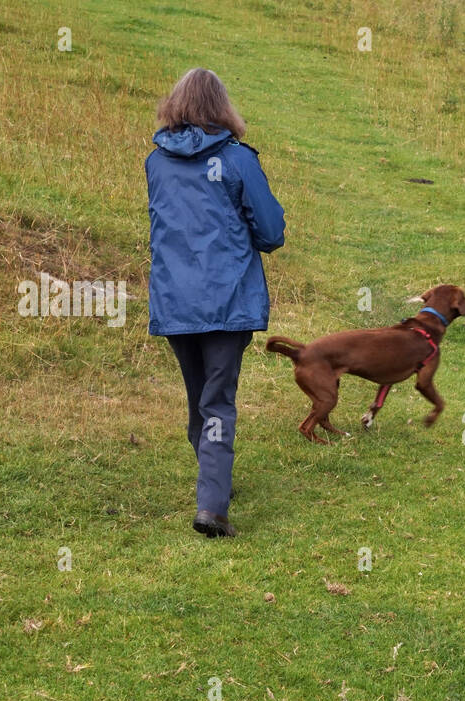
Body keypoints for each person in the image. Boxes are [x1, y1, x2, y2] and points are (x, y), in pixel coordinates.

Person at [145, 68, 285, 537]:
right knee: (218, 401)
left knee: (200, 396)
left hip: (176, 299)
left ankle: (215, 481)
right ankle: (212, 507)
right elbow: (271, 232)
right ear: (222, 107)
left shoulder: (156, 162)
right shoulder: (237, 160)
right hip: (226, 299)